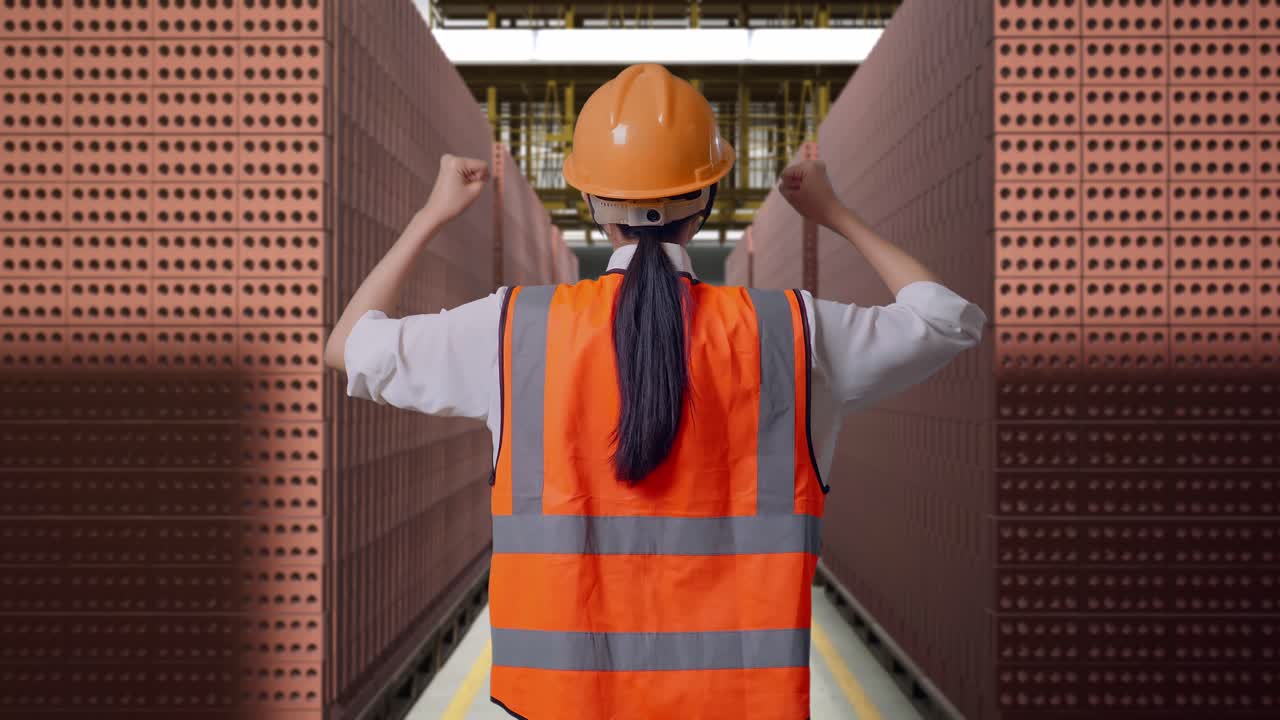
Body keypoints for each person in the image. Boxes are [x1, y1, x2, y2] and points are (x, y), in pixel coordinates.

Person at [324, 63, 987, 720]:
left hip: (562, 706)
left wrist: (431, 215)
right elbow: (946, 320)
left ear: (589, 200)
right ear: (705, 202)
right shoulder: (791, 333)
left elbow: (347, 345)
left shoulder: (510, 330)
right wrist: (834, 214)